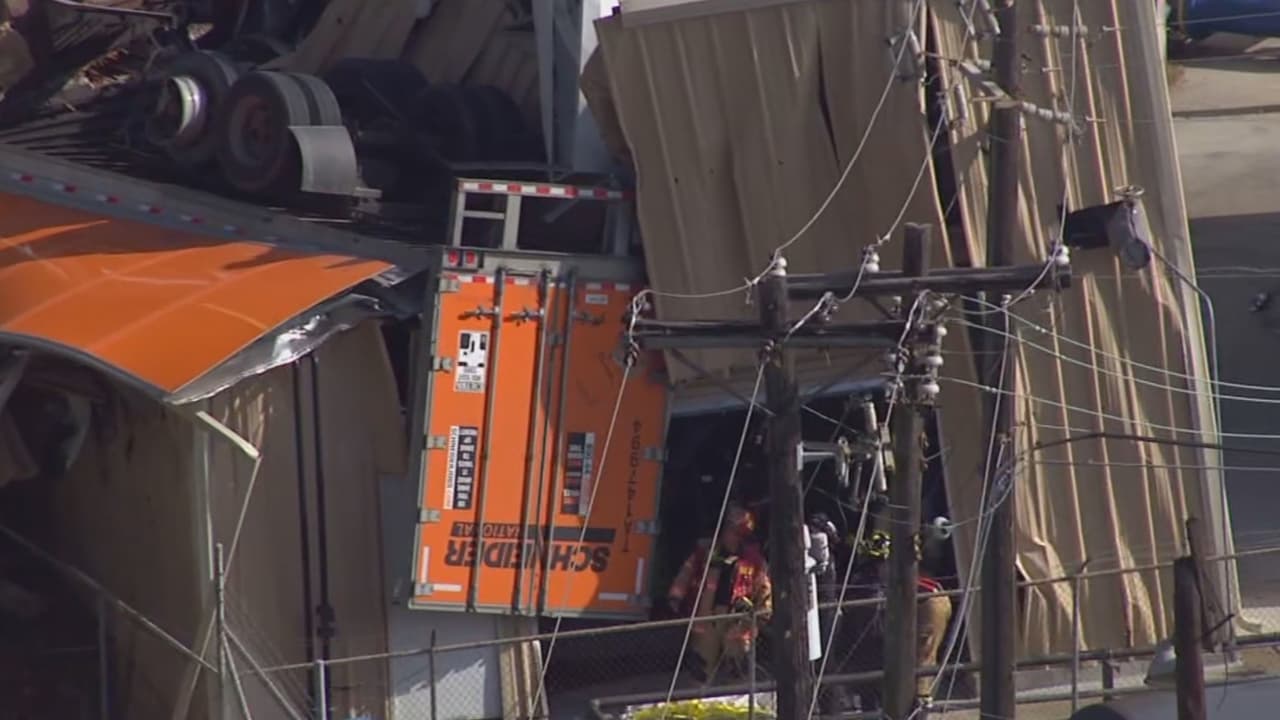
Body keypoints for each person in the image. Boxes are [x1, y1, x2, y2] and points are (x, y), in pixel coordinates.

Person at [667, 504, 772, 683]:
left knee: (738, 666)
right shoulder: (706, 553)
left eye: (740, 535)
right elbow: (686, 572)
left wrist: (760, 613)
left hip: (738, 620)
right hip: (708, 617)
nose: (734, 538)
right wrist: (675, 597)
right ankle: (699, 699)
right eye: (732, 532)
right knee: (701, 667)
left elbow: (764, 590)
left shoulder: (754, 561)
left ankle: (741, 702)